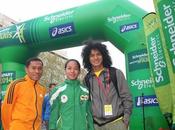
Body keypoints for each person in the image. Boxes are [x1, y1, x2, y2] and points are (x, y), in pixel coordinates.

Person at [81, 41, 133, 130]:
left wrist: (126, 117)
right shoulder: (87, 79)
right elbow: (87, 102)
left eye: (98, 54)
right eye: (92, 55)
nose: (95, 57)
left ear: (104, 56)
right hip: (96, 125)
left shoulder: (116, 73)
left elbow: (127, 97)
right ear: (88, 58)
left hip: (116, 123)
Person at [1, 57, 46, 130]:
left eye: (40, 68)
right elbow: (6, 110)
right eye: (33, 68)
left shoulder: (42, 89)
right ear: (26, 69)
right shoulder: (16, 85)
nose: (37, 71)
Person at [49, 59, 94, 130]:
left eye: (75, 69)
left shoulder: (86, 91)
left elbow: (89, 114)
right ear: (65, 70)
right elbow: (53, 115)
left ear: (79, 71)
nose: (72, 71)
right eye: (69, 68)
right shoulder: (57, 91)